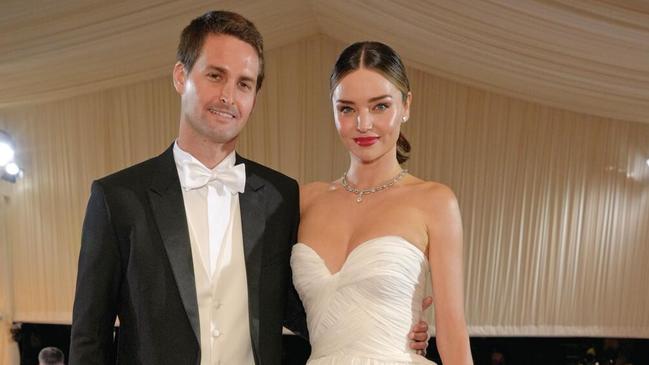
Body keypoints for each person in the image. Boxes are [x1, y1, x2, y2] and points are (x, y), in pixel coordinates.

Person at [69, 11, 429, 365]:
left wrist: (389, 325)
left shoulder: (281, 196)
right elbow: (90, 337)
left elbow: (302, 305)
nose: (229, 95)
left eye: (244, 83)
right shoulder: (117, 198)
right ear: (181, 76)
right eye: (215, 75)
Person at [292, 41, 473, 364]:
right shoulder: (305, 200)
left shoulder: (434, 201)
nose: (363, 124)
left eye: (380, 106)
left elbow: (453, 335)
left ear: (405, 106)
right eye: (347, 108)